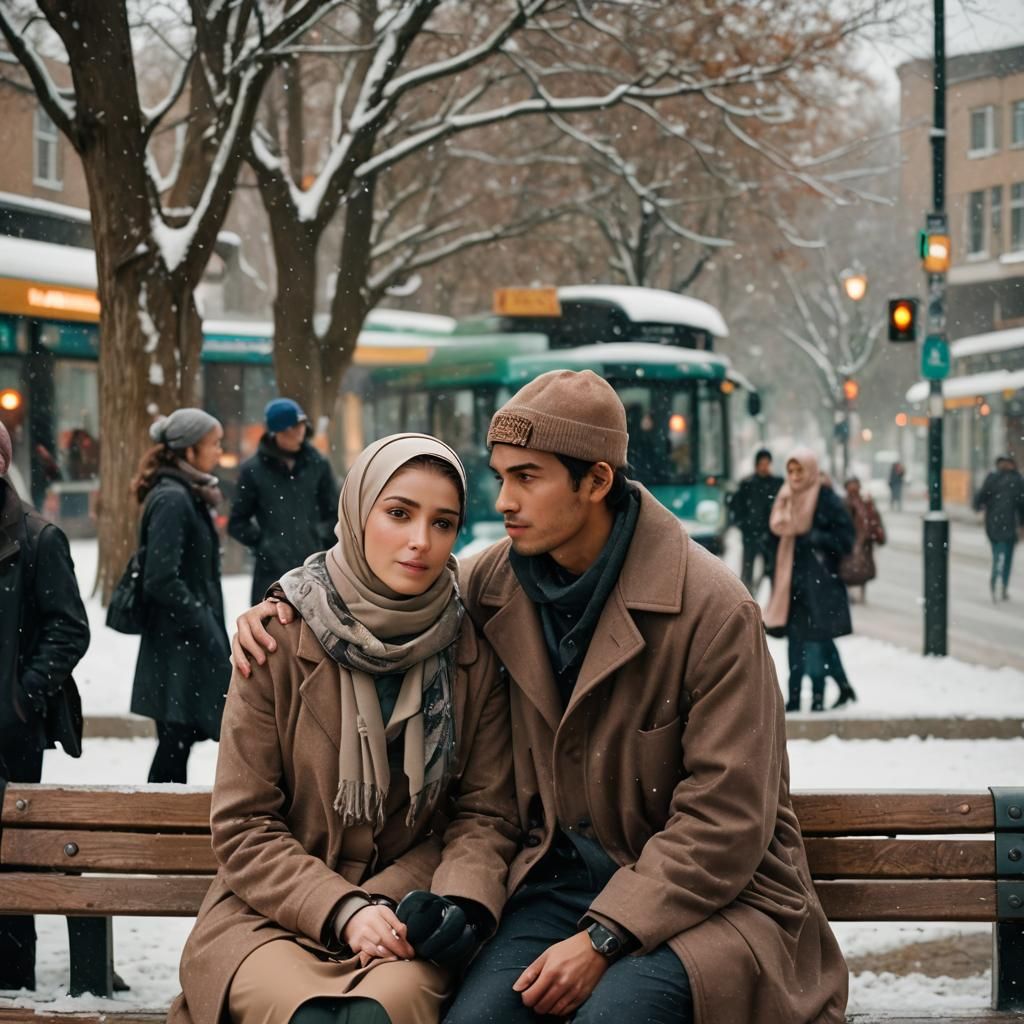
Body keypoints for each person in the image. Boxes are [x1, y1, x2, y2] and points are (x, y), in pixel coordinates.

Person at [234, 372, 849, 1024]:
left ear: (596, 483)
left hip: (713, 901)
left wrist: (603, 937)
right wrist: (284, 607)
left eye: (527, 477)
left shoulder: (712, 610)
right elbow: (375, 588)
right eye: (500, 476)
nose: (503, 500)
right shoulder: (491, 583)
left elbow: (726, 823)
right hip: (551, 890)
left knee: (612, 1017)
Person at [168, 434, 519, 1024]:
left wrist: (421, 903)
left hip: (405, 915)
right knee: (306, 1016)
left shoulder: (470, 651)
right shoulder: (278, 638)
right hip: (271, 915)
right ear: (357, 512)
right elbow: (243, 824)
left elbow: (485, 814)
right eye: (399, 513)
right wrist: (342, 908)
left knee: (375, 1016)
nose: (419, 541)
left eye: (443, 523)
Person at [0, 420, 90, 991]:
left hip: (10, 738)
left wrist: (20, 699)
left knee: (12, 879)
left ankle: (12, 989)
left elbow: (68, 628)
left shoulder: (37, 538)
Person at [130, 408, 231, 784]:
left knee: (179, 740)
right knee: (175, 741)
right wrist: (202, 620)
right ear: (189, 451)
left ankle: (160, 828)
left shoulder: (186, 493)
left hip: (183, 644)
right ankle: (157, 829)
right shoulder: (173, 499)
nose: (220, 452)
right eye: (214, 444)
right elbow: (160, 578)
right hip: (177, 646)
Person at [765, 450, 855, 713]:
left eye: (799, 471)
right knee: (796, 642)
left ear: (811, 471)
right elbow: (772, 536)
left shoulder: (825, 498)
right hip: (791, 584)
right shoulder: (784, 497)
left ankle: (817, 696)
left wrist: (816, 537)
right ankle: (794, 696)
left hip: (820, 583)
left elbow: (845, 539)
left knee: (816, 640)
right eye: (790, 471)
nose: (794, 477)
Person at [229, 398, 339, 605]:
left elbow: (335, 514)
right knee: (271, 633)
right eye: (291, 428)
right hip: (270, 576)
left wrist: (318, 538)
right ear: (276, 432)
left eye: (301, 426)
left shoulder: (318, 464)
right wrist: (266, 544)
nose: (299, 433)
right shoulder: (252, 470)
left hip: (314, 572)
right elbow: (237, 522)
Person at [728, 447, 784, 595]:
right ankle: (747, 598)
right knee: (748, 571)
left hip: (771, 536)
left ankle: (774, 602)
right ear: (756, 465)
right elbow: (735, 507)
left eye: (767, 463)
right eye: (762, 464)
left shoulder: (777, 483)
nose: (765, 467)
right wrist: (743, 525)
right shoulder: (747, 484)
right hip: (750, 534)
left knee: (773, 571)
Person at [973, 453, 1024, 602]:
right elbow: (1022, 505)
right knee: (1006, 556)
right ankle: (1001, 583)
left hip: (993, 523)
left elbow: (980, 497)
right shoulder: (1017, 479)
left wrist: (978, 508)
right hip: (1009, 524)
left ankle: (996, 580)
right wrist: (1021, 525)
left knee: (998, 554)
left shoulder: (993, 478)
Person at [840, 477, 885, 604]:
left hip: (864, 540)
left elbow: (874, 519)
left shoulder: (865, 501)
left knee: (861, 569)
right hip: (852, 540)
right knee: (849, 568)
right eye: (851, 485)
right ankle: (850, 593)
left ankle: (860, 593)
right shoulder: (845, 502)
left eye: (856, 485)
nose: (854, 488)